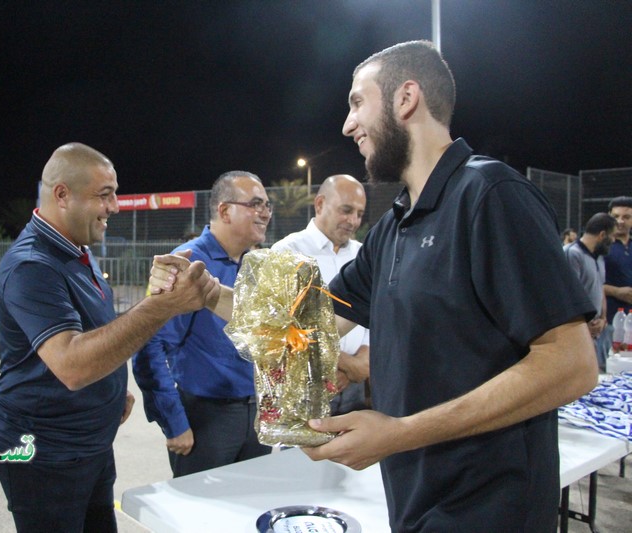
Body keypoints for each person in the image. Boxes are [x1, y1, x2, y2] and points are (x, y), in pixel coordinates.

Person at [149, 41, 597, 531]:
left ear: (406, 99)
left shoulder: (490, 195)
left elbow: (570, 366)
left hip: (490, 508)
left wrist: (400, 433)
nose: (347, 124)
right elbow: (301, 322)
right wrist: (208, 291)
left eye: (357, 102)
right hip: (414, 499)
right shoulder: (393, 228)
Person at [0, 142, 217, 533]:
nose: (114, 207)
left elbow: (93, 331)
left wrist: (111, 385)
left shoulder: (75, 249)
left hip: (87, 445)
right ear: (63, 195)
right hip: (45, 455)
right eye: (104, 195)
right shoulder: (31, 266)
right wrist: (162, 306)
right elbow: (73, 365)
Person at [132, 171, 273, 477]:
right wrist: (174, 422)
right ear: (224, 210)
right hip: (206, 420)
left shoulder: (258, 265)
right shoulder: (187, 264)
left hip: (257, 418)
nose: (265, 213)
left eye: (267, 206)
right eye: (256, 204)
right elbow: (149, 344)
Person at [271, 174, 370, 414]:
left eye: (359, 214)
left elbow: (373, 318)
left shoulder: (364, 255)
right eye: (346, 210)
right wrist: (347, 364)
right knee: (301, 454)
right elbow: (278, 326)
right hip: (304, 387)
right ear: (319, 204)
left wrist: (363, 364)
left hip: (355, 388)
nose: (353, 221)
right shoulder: (288, 251)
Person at [563, 214, 617, 370]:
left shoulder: (599, 258)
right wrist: (581, 325)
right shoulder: (571, 254)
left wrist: (603, 318)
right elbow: (567, 296)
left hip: (594, 331)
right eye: (612, 236)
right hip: (575, 333)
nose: (613, 240)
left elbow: (600, 289)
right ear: (602, 235)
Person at [601, 196, 632, 356]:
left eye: (626, 217)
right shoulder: (600, 247)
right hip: (610, 322)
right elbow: (586, 284)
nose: (620, 221)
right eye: (616, 216)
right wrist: (617, 291)